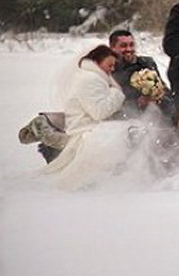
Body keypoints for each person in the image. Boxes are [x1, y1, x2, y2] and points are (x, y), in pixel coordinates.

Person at [42, 45, 133, 189]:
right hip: (86, 129)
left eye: (113, 66)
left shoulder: (94, 77)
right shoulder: (90, 79)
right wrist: (117, 93)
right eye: (109, 65)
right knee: (128, 133)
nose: (112, 69)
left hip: (91, 125)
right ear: (97, 62)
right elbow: (99, 112)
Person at [109, 29, 175, 120]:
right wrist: (137, 103)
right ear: (112, 48)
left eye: (131, 45)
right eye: (123, 46)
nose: (129, 49)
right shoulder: (108, 70)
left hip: (157, 116)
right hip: (126, 119)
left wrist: (158, 98)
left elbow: (164, 90)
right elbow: (108, 106)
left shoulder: (146, 63)